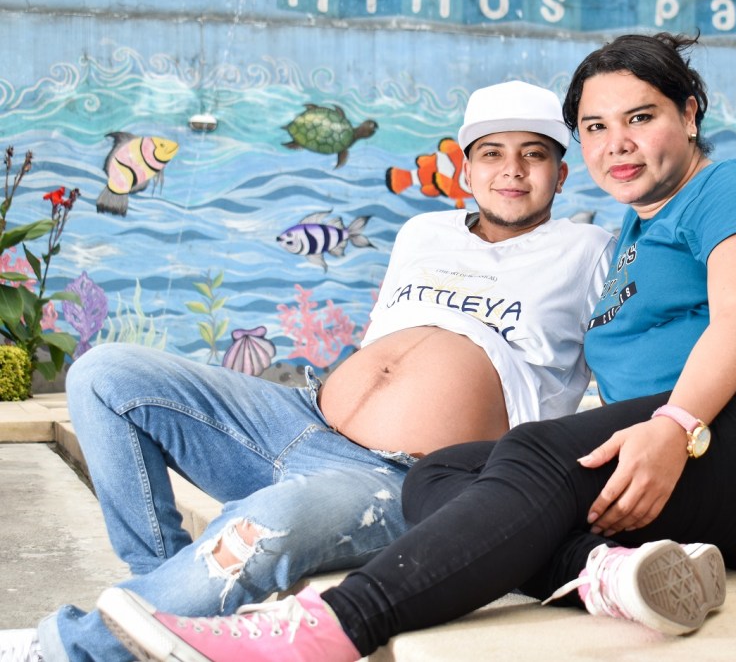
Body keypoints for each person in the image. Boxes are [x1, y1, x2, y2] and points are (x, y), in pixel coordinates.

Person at [96, 32, 736, 662]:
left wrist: (674, 426)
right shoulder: (632, 238)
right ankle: (600, 576)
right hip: (728, 477)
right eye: (596, 127)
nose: (619, 143)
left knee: (530, 452)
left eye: (641, 117)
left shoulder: (730, 187)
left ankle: (331, 628)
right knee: (442, 475)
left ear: (689, 112)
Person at [0, 80, 614, 662]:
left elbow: (635, 358)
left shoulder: (590, 253)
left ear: (561, 175)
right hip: (298, 414)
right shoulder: (423, 232)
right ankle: (160, 594)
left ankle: (74, 648)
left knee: (263, 528)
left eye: (534, 154)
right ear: (465, 170)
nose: (512, 169)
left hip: (404, 477)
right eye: (492, 153)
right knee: (104, 373)